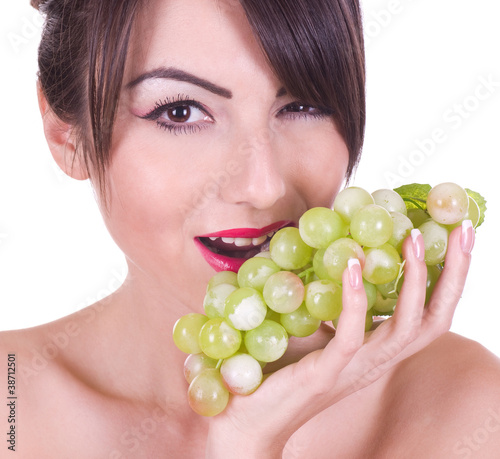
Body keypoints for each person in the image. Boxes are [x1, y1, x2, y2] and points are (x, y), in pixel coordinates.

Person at [1, 0, 499, 457]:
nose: (262, 186)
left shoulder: (466, 409)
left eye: (302, 105)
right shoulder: (11, 404)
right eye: (180, 112)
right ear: (65, 134)